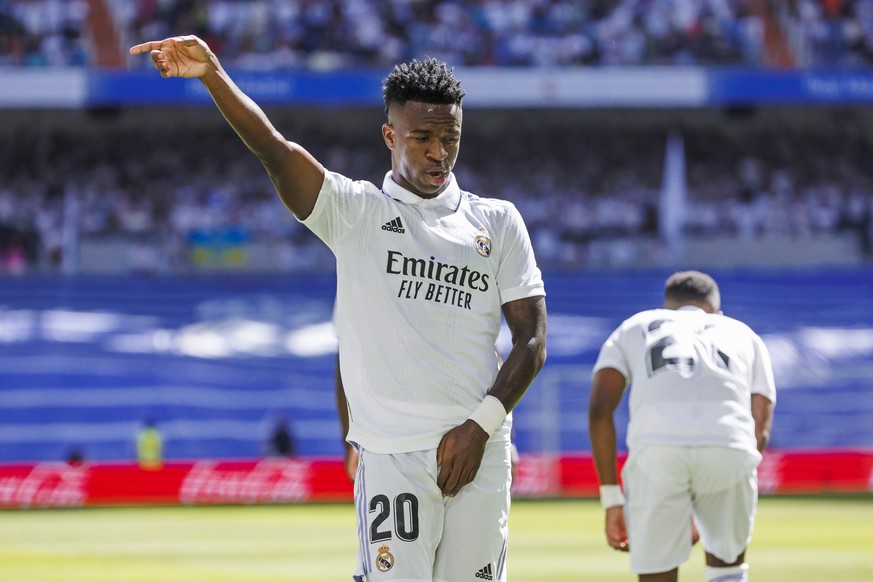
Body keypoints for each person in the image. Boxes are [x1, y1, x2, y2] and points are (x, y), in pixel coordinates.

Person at [130, 36, 548, 582]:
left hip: (482, 453)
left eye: (450, 137)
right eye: (422, 137)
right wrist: (212, 75)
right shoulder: (356, 213)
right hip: (392, 457)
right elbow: (276, 152)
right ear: (389, 134)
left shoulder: (498, 222)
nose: (438, 152)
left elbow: (532, 340)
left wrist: (479, 428)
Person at [588, 271, 776, 582]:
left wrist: (612, 499)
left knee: (656, 572)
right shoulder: (742, 333)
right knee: (728, 567)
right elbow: (762, 428)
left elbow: (599, 410)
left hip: (657, 449)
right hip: (729, 442)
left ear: (667, 307)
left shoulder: (635, 325)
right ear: (716, 310)